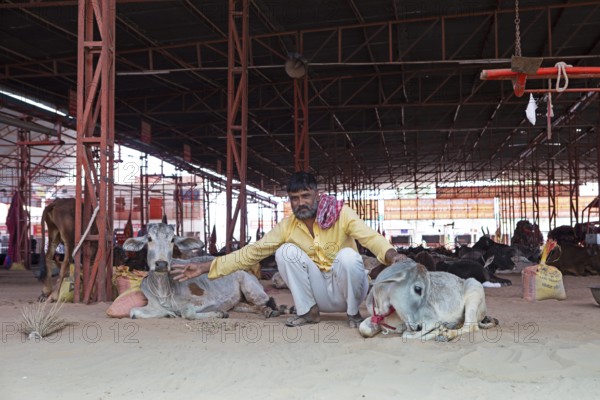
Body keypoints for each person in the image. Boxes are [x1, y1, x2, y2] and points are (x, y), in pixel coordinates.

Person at [172, 171, 404, 328]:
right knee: (284, 251)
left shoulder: (342, 214)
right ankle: (308, 312)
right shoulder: (287, 226)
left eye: (305, 196)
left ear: (316, 194)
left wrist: (394, 256)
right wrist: (205, 266)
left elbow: (371, 237)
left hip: (349, 292)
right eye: (294, 198)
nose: (300, 203)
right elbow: (252, 252)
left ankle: (354, 314)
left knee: (348, 256)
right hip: (321, 296)